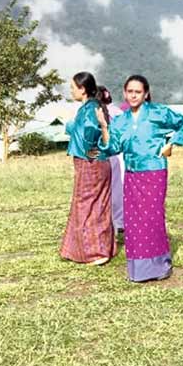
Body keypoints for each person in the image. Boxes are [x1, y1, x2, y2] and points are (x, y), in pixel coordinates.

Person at [97, 75, 183, 282]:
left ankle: (159, 266)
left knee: (153, 218)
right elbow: (112, 148)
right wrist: (105, 128)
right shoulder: (120, 120)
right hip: (131, 174)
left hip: (154, 172)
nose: (133, 95)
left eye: (137, 92)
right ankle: (139, 270)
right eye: (129, 91)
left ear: (146, 94)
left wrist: (172, 143)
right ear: (124, 93)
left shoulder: (158, 112)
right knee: (134, 222)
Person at [60, 72, 117, 266]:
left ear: (82, 89)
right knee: (92, 204)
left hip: (90, 161)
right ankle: (92, 249)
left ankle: (96, 252)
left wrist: (90, 156)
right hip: (89, 161)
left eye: (73, 87)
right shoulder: (87, 108)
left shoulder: (91, 109)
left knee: (89, 205)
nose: (71, 91)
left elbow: (91, 133)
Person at [98, 86, 125, 233]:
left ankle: (110, 220)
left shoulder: (96, 112)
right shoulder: (116, 112)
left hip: (102, 153)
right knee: (117, 187)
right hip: (117, 153)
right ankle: (119, 221)